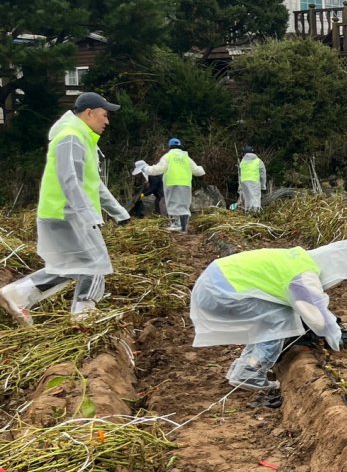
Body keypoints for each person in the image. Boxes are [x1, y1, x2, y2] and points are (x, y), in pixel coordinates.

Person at [0, 92, 126, 325]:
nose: (107, 121)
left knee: (72, 266)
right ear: (89, 113)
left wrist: (120, 213)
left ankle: (17, 295)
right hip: (68, 215)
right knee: (94, 262)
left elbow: (93, 184)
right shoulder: (71, 138)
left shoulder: (81, 138)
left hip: (66, 214)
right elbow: (70, 180)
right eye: (104, 115)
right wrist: (88, 215)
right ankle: (84, 315)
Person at [190, 240, 347, 391]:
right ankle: (250, 372)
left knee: (268, 319)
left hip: (213, 284)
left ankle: (247, 366)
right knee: (279, 319)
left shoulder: (298, 259)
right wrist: (335, 335)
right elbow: (316, 314)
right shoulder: (303, 275)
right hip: (220, 291)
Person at [144, 137, 204, 233]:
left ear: (170, 146)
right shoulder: (186, 157)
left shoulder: (168, 156)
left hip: (172, 183)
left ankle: (176, 225)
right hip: (186, 184)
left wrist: (146, 169)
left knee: (173, 205)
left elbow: (158, 169)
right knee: (184, 205)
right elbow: (198, 171)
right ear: (180, 145)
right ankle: (183, 227)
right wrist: (202, 168)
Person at [237, 145, 267, 214]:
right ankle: (255, 214)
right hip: (254, 181)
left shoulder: (242, 162)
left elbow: (240, 174)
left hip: (244, 182)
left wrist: (240, 186)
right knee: (255, 198)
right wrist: (263, 186)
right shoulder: (258, 161)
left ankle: (247, 212)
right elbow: (263, 174)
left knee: (247, 198)